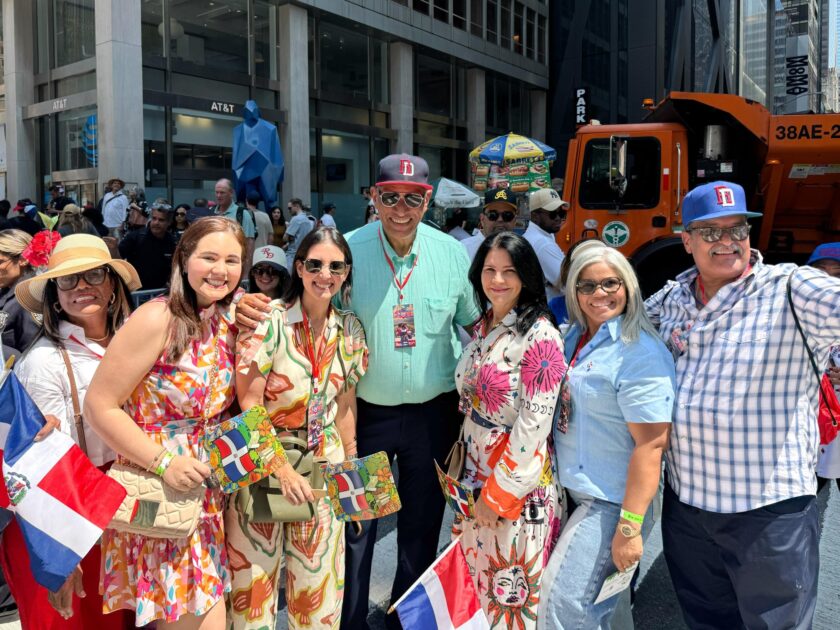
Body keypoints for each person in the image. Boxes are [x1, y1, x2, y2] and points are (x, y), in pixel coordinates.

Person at [644, 180, 840, 629]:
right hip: (688, 507)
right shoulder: (672, 298)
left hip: (767, 512)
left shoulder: (792, 288)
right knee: (707, 620)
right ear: (687, 240)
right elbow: (616, 334)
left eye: (738, 229)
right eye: (711, 232)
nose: (728, 241)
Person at [84, 217, 244, 627]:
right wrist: (164, 463)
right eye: (209, 257)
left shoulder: (223, 317)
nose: (220, 270)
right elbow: (99, 405)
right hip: (162, 495)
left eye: (232, 260)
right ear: (184, 258)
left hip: (206, 495)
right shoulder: (157, 318)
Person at [228, 227, 368, 629]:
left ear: (346, 272)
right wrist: (282, 470)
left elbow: (345, 407)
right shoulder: (269, 321)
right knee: (251, 595)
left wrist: (354, 485)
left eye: (336, 267)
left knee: (319, 594)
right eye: (315, 264)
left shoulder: (351, 330)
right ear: (300, 268)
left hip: (323, 467)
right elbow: (249, 403)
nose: (325, 275)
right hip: (261, 465)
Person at [1, 234, 140, 630]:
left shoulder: (134, 340)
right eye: (67, 280)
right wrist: (59, 553)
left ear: (112, 284)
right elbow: (37, 465)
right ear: (55, 295)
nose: (82, 287)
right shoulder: (43, 361)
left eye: (93, 274)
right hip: (67, 506)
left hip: (121, 500)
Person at [539, 243, 674, 629]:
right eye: (587, 285)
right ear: (574, 292)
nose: (599, 293)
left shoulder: (640, 352)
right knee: (607, 610)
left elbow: (652, 444)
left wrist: (629, 529)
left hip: (610, 501)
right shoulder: (573, 337)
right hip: (569, 493)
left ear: (628, 286)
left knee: (564, 607)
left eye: (610, 283)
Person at [453, 232, 564, 629]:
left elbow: (534, 426)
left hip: (513, 488)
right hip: (475, 475)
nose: (497, 280)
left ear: (528, 276)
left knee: (508, 596)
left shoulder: (541, 335)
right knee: (477, 589)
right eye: (489, 270)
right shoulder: (487, 325)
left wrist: (497, 495)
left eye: (509, 271)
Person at [806, 243, 840, 493]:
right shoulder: (795, 314)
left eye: (837, 274)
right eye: (820, 272)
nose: (828, 281)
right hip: (812, 431)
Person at [119, 199, 177, 290]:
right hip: (136, 292)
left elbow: (175, 267)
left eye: (161, 220)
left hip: (160, 292)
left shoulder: (172, 242)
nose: (156, 223)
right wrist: (113, 248)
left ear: (169, 222)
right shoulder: (135, 237)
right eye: (154, 218)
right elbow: (118, 259)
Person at [523, 188, 568, 301]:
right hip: (551, 307)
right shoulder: (543, 244)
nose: (558, 218)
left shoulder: (539, 236)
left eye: (561, 213)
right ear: (535, 216)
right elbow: (568, 284)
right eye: (552, 214)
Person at [0, 229, 40, 354]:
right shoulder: (7, 288)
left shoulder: (29, 298)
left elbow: (31, 354)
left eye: (0, 262)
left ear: (23, 259)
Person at [461, 189, 519, 261]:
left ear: (515, 221)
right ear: (482, 219)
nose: (500, 219)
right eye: (493, 215)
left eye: (507, 215)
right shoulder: (463, 249)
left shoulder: (521, 250)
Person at [284, 198, 316, 263]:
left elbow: (285, 238)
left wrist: (288, 227)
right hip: (303, 253)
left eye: (290, 208)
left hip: (293, 255)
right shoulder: (307, 219)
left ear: (296, 206)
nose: (289, 210)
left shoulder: (296, 219)